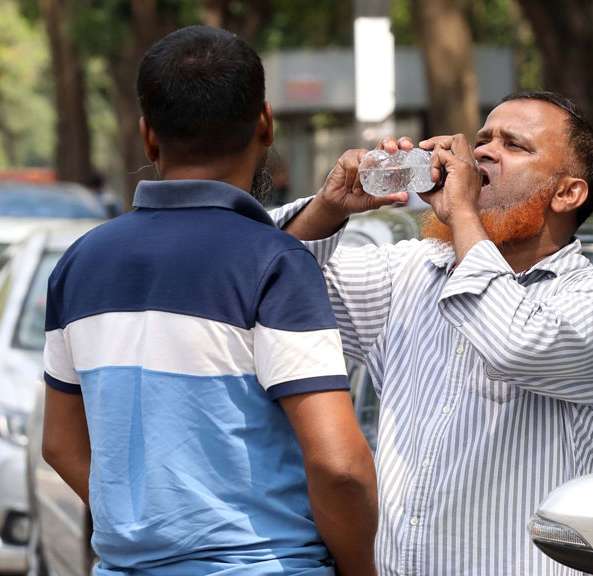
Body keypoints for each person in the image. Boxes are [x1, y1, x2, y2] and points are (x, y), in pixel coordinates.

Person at [40, 26, 378, 576]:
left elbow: (60, 443)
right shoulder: (275, 265)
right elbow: (340, 466)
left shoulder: (79, 264)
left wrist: (145, 531)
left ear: (149, 138)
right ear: (265, 123)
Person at [272, 91, 593, 575]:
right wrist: (328, 208)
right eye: (483, 139)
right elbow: (268, 284)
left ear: (567, 194)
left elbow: (515, 345)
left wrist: (465, 214)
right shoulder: (413, 269)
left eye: (515, 146)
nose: (483, 153)